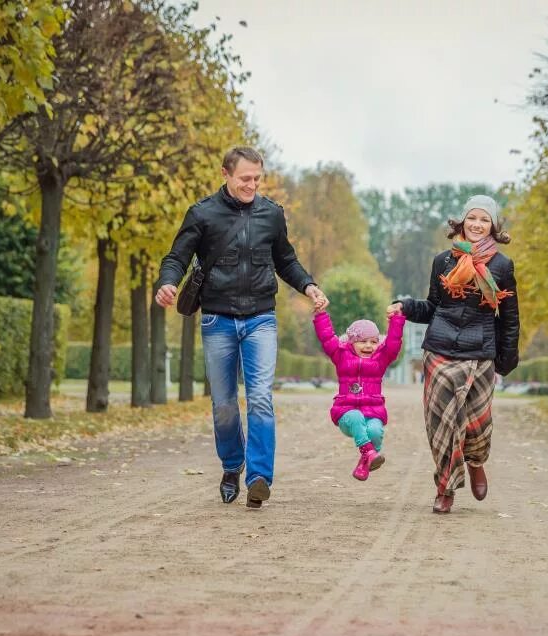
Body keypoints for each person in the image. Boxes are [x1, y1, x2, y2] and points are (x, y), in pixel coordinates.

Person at [155, 146, 328, 509]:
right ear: (226, 174)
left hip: (261, 318)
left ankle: (259, 477)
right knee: (224, 405)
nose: (252, 185)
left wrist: (309, 285)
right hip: (217, 319)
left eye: (257, 179)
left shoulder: (271, 214)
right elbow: (177, 257)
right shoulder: (202, 214)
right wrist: (167, 282)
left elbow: (286, 260)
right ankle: (232, 465)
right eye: (244, 179)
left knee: (261, 397)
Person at [387, 195, 520, 514]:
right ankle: (445, 487)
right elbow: (433, 306)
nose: (477, 224)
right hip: (441, 349)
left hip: (480, 351)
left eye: (484, 219)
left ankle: (475, 462)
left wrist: (506, 356)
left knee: (477, 425)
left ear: (493, 226)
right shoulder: (442, 261)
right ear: (462, 221)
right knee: (442, 423)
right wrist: (405, 306)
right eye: (472, 218)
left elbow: (510, 317)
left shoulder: (502, 266)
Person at [313, 310, 406, 481]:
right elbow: (326, 338)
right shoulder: (340, 354)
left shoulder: (381, 359)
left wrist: (396, 321)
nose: (369, 346)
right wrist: (320, 315)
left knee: (375, 431)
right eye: (363, 341)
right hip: (346, 413)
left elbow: (393, 343)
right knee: (355, 416)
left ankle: (366, 461)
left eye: (374, 341)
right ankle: (369, 452)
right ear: (352, 342)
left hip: (373, 412)